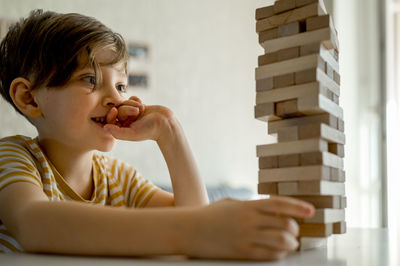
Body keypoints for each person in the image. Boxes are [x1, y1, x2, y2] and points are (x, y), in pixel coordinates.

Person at [0, 9, 314, 260]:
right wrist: (195, 231)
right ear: (29, 98)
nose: (116, 98)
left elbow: (193, 215)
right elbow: (34, 224)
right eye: (89, 79)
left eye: (121, 85)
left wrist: (170, 132)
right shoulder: (14, 157)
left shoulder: (118, 178)